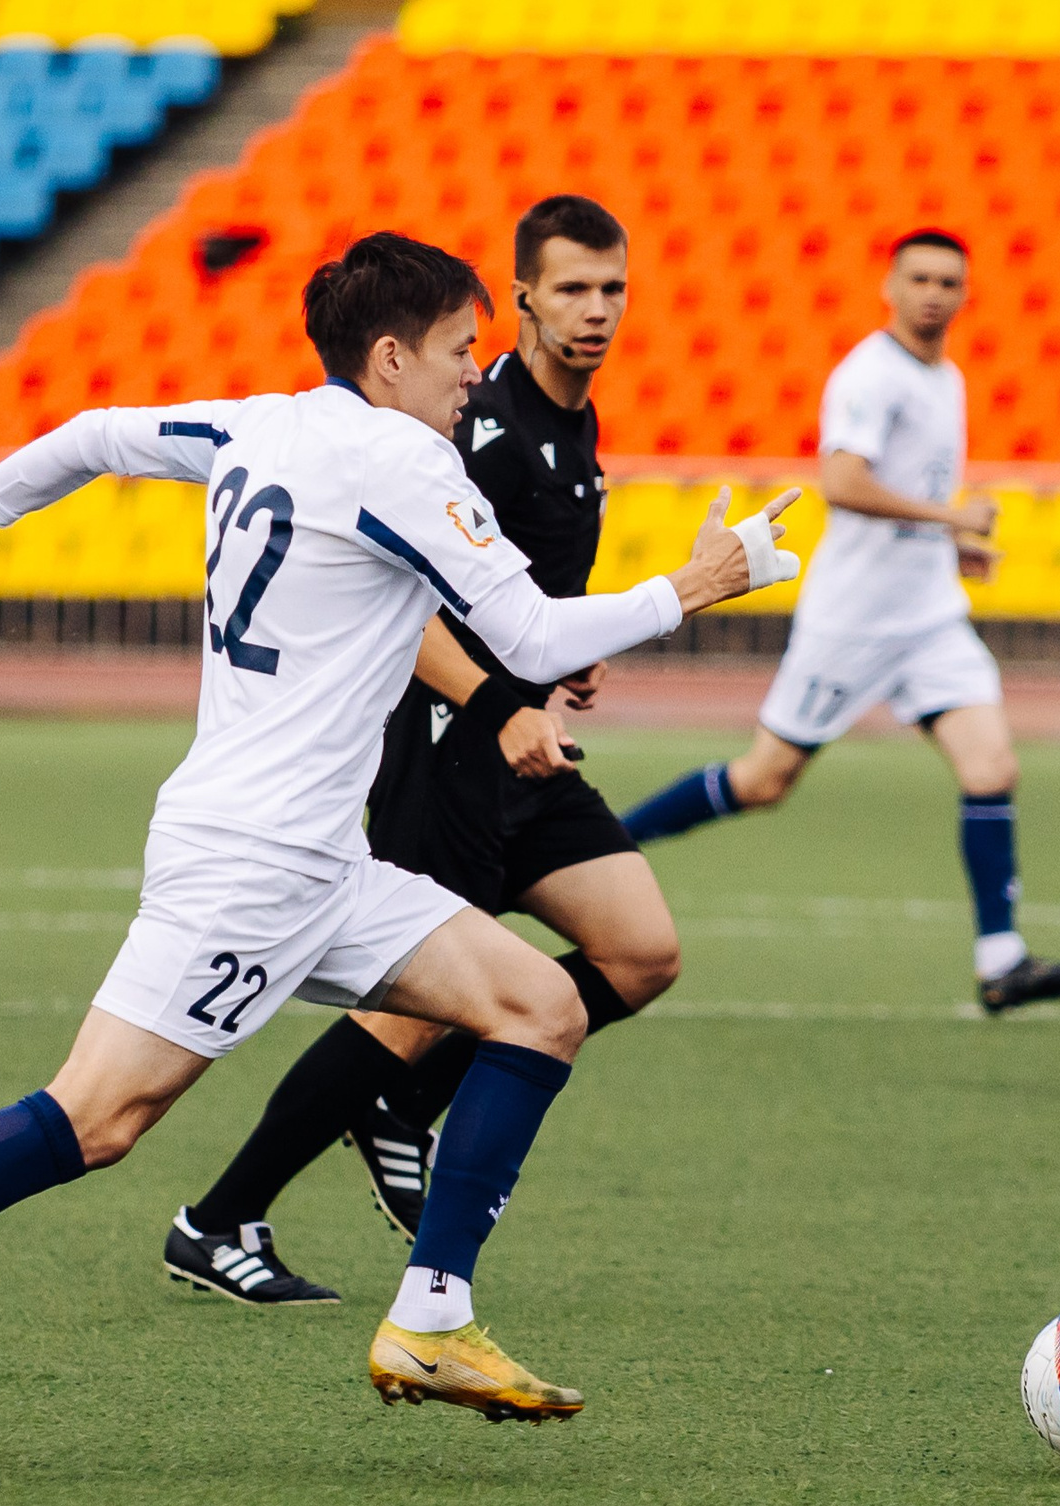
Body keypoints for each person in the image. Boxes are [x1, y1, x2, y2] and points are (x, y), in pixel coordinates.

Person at [0, 231, 799, 1476]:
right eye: (458, 351)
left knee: (538, 1004)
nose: (472, 373)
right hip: (255, 864)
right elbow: (533, 632)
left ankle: (431, 1319)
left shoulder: (254, 425)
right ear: (391, 358)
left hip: (306, 855)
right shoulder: (401, 458)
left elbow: (90, 436)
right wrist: (699, 583)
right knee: (98, 1117)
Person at [162, 195, 683, 1306]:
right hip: (445, 752)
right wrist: (505, 702)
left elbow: (519, 605)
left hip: (525, 746)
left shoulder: (571, 425)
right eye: (572, 289)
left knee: (638, 953)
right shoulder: (463, 429)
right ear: (524, 298)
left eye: (613, 288)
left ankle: (397, 1109)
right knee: (403, 1007)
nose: (595, 310)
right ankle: (218, 1219)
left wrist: (558, 675)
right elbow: (416, 616)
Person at [620, 230, 1060, 1014]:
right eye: (920, 277)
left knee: (991, 768)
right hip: (854, 620)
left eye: (949, 280)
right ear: (889, 284)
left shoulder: (947, 377)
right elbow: (842, 482)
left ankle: (1001, 958)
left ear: (967, 292)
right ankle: (600, 840)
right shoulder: (869, 377)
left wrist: (952, 545)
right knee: (764, 779)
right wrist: (948, 517)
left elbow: (909, 491)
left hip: (931, 616)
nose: (934, 292)